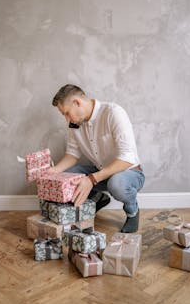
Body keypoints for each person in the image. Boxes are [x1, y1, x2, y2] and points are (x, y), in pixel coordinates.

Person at [47, 84, 145, 233]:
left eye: (67, 113)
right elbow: (73, 153)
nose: (67, 120)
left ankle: (132, 211)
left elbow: (127, 158)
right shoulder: (75, 124)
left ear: (77, 103)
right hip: (101, 172)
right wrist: (54, 171)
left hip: (129, 172)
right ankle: (98, 199)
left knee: (116, 184)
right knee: (69, 174)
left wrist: (91, 179)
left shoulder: (113, 113)